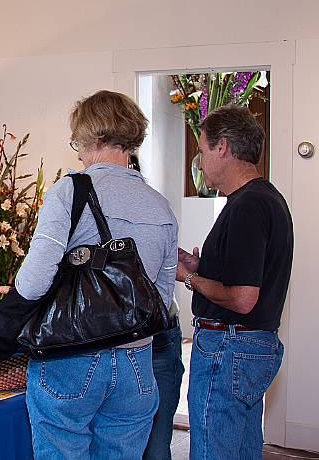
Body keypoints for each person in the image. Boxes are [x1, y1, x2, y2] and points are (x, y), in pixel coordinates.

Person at [15, 90, 178, 459]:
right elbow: (162, 301)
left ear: (94, 136)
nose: (78, 152)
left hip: (72, 355)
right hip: (137, 363)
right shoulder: (160, 205)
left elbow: (33, 282)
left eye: (79, 141)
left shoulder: (69, 192)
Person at [177, 105, 293, 459]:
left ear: (223, 147)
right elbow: (248, 272)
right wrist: (204, 265)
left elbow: (243, 299)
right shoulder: (266, 198)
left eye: (202, 151)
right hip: (247, 348)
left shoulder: (248, 206)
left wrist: (190, 277)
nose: (198, 163)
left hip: (228, 349)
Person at [126, 158, 185, 460]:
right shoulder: (157, 211)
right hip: (130, 337)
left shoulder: (155, 212)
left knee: (155, 440)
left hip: (156, 336)